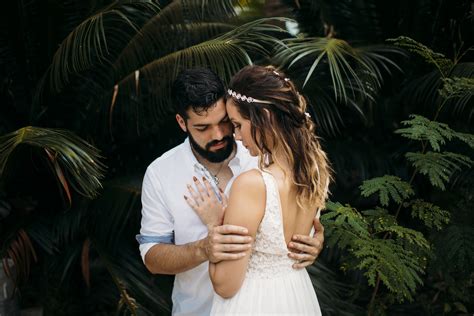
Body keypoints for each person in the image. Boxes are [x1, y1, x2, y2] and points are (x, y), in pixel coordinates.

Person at [137, 68, 325, 316]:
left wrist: (315, 242)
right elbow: (152, 256)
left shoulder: (262, 152)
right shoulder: (161, 173)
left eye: (226, 122)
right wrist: (204, 248)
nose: (220, 135)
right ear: (182, 123)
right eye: (203, 128)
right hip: (196, 310)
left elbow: (294, 226)